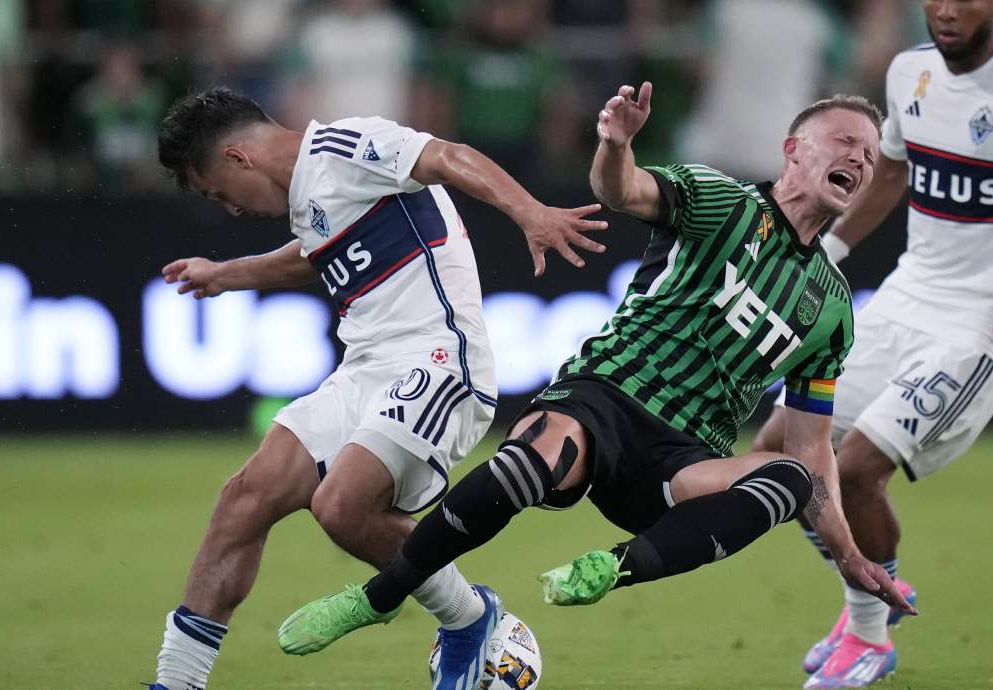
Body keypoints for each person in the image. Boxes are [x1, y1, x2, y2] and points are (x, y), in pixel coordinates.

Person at [275, 82, 916, 678]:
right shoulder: (724, 201)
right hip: (605, 396)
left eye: (868, 153)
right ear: (794, 151)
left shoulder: (832, 309)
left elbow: (810, 444)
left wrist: (850, 556)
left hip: (681, 458)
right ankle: (377, 597)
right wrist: (615, 144)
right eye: (844, 142)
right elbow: (624, 191)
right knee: (534, 462)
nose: (859, 159)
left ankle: (614, 567)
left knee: (791, 479)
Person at [145, 86, 608, 690]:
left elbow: (447, 156)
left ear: (238, 159)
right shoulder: (312, 197)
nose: (228, 209)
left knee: (340, 507)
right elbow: (312, 256)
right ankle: (175, 684)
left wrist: (531, 212)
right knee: (243, 500)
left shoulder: (342, 146)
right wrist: (226, 275)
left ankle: (469, 618)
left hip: (440, 359)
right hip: (364, 368)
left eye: (217, 193)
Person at [750, 1, 993, 687]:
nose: (946, 9)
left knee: (858, 466)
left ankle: (869, 638)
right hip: (905, 297)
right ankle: (872, 592)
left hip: (978, 325)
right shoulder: (909, 74)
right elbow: (895, 170)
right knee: (780, 448)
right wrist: (826, 253)